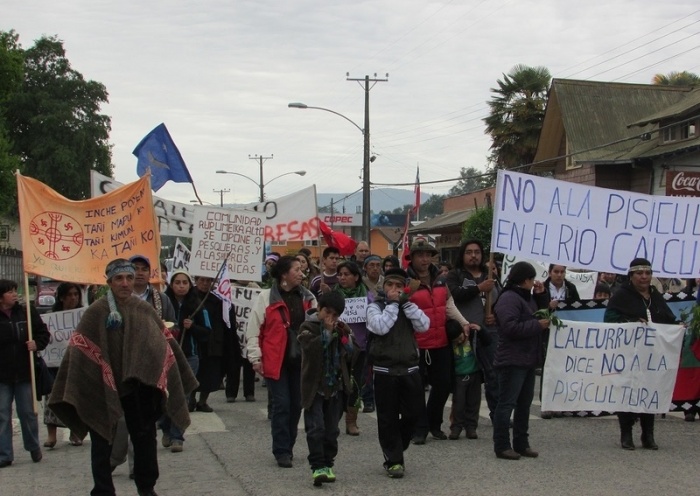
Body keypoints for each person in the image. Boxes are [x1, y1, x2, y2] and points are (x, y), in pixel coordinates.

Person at [48, 259, 198, 496]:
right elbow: (80, 351)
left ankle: (146, 488)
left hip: (140, 389)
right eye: (119, 278)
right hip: (103, 387)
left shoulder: (144, 310)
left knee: (145, 439)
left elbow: (162, 346)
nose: (125, 283)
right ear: (109, 282)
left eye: (129, 277)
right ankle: (103, 489)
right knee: (102, 438)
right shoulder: (96, 312)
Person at [246, 255, 317, 468]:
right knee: (282, 405)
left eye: (302, 269)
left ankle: (289, 445)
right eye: (296, 269)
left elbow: (317, 326)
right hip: (275, 360)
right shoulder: (266, 297)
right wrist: (255, 357)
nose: (301, 273)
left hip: (301, 361)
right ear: (284, 273)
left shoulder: (309, 297)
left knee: (296, 405)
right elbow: (254, 328)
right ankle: (281, 450)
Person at [604, 258, 677, 451]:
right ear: (631, 276)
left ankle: (648, 434)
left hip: (651, 357)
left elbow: (667, 319)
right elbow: (610, 319)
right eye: (639, 273)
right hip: (629, 355)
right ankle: (626, 434)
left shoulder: (655, 296)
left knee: (649, 391)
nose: (644, 277)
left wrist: (677, 329)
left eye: (647, 273)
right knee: (627, 392)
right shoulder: (621, 296)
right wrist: (631, 322)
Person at [404, 237, 470, 444]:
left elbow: (448, 304)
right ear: (412, 257)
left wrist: (464, 323)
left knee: (442, 386)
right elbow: (397, 307)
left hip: (441, 342)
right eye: (420, 255)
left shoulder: (441, 279)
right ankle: (420, 428)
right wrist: (408, 292)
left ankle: (434, 424)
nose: (424, 259)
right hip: (416, 344)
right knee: (415, 391)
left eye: (428, 255)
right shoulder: (406, 282)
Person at [366, 268, 429, 479]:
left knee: (414, 413)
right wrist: (392, 305)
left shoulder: (408, 306)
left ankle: (396, 445)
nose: (394, 290)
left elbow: (424, 326)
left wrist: (406, 304)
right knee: (387, 418)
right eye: (390, 285)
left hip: (410, 369)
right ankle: (393, 460)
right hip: (385, 371)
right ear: (384, 287)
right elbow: (380, 327)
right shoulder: (375, 307)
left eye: (398, 286)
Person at [492, 261, 549, 460]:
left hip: (527, 358)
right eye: (532, 279)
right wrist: (536, 326)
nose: (534, 283)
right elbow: (510, 328)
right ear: (525, 279)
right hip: (512, 359)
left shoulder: (526, 298)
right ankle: (502, 445)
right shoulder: (509, 298)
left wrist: (542, 297)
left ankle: (521, 443)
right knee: (506, 404)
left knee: (524, 405)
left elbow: (540, 314)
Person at [298, 291, 356, 486]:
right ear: (319, 309)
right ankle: (317, 466)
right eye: (327, 312)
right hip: (315, 387)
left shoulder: (341, 329)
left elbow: (350, 354)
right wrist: (327, 334)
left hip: (335, 387)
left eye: (335, 314)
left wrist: (344, 338)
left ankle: (328, 462)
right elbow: (310, 349)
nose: (331, 318)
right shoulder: (308, 327)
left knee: (331, 431)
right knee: (316, 428)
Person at [445, 239, 500, 420]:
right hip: (464, 333)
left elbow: (501, 300)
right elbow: (455, 295)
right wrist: (478, 288)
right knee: (463, 378)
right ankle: (459, 418)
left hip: (487, 333)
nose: (473, 255)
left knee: (493, 375)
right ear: (462, 255)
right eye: (469, 252)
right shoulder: (455, 275)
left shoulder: (489, 276)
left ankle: (497, 414)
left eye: (477, 252)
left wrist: (495, 315)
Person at [0, 279, 50, 468]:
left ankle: (33, 445)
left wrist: (37, 344)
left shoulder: (27, 312)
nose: (14, 294)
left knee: (27, 412)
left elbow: (43, 334)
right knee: (2, 414)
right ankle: (4, 454)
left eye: (15, 290)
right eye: (9, 291)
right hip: (2, 375)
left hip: (24, 372)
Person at [162, 270, 210, 452]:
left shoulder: (198, 305)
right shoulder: (164, 303)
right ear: (171, 285)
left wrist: (193, 327)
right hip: (166, 355)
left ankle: (177, 435)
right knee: (166, 395)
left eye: (185, 282)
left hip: (189, 356)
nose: (181, 286)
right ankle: (166, 427)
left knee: (182, 395)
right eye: (177, 282)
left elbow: (207, 332)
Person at [535, 264, 580, 419]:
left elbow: (578, 308)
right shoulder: (542, 287)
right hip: (548, 331)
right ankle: (546, 403)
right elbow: (536, 310)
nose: (559, 275)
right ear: (550, 272)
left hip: (566, 332)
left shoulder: (571, 288)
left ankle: (562, 403)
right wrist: (548, 306)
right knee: (548, 366)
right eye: (556, 272)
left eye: (562, 272)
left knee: (565, 366)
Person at [44, 282, 84, 448]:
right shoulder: (50, 317)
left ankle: (76, 432)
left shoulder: (84, 315)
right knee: (52, 397)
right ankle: (51, 435)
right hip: (54, 364)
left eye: (76, 294)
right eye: (69, 295)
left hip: (77, 363)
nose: (73, 298)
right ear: (61, 297)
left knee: (75, 396)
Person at [190, 275, 236, 412]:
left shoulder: (217, 299)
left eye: (208, 281)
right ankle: (190, 399)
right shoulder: (190, 297)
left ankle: (203, 401)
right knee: (193, 372)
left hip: (213, 341)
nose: (205, 284)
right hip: (196, 341)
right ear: (196, 281)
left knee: (210, 373)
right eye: (202, 280)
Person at [334, 261, 369, 433]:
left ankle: (351, 421)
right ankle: (334, 419)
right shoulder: (334, 296)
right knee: (338, 382)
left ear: (356, 277)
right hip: (338, 346)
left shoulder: (366, 296)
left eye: (346, 274)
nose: (342, 278)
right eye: (340, 274)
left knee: (355, 383)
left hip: (360, 347)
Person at [446, 319, 488, 440]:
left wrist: (481, 330)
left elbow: (488, 341)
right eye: (456, 341)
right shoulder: (450, 346)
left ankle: (471, 427)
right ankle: (456, 427)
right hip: (459, 376)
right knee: (458, 403)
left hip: (474, 374)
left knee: (474, 402)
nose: (459, 341)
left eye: (460, 337)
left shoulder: (472, 337)